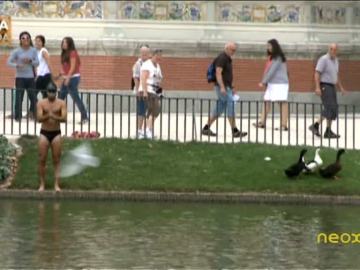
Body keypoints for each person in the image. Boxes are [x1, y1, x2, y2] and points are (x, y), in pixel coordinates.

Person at [201, 42, 247, 138]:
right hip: (222, 88)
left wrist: (231, 87)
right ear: (226, 48)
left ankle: (206, 128)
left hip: (226, 88)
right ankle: (235, 131)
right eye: (232, 50)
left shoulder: (228, 59)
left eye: (234, 50)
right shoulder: (222, 58)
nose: (233, 52)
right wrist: (222, 87)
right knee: (231, 105)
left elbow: (227, 76)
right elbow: (218, 73)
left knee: (219, 108)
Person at [309, 43, 346, 139]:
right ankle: (315, 125)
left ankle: (328, 131)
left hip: (332, 86)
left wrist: (341, 87)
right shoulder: (324, 59)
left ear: (337, 51)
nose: (332, 51)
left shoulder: (336, 61)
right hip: (325, 86)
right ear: (328, 49)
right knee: (329, 107)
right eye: (331, 49)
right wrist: (317, 87)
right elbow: (317, 73)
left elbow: (336, 75)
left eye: (334, 49)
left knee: (333, 109)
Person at [37, 81, 67, 192]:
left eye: (53, 91)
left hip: (56, 133)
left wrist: (52, 115)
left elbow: (64, 118)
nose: (51, 94)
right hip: (44, 132)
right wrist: (47, 115)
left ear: (56, 92)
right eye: (49, 91)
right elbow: (39, 118)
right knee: (42, 159)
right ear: (46, 92)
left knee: (57, 159)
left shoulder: (61, 103)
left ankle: (56, 185)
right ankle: (42, 184)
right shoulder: (41, 103)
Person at [253, 39, 289, 131]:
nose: (268, 48)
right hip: (272, 84)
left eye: (270, 46)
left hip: (279, 84)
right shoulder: (272, 57)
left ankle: (283, 125)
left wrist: (264, 81)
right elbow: (268, 70)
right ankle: (262, 122)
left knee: (282, 103)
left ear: (275, 46)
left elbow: (272, 71)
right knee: (266, 101)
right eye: (267, 46)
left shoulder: (278, 58)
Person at [7, 31, 39, 121]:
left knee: (33, 97)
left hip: (30, 78)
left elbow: (37, 62)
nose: (25, 40)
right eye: (23, 38)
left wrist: (30, 61)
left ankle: (36, 115)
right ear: (20, 40)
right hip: (20, 77)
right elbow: (8, 62)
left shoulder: (33, 51)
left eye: (27, 38)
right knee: (19, 97)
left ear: (30, 40)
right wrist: (17, 65)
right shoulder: (16, 51)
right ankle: (18, 117)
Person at [58, 36, 88, 124]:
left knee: (75, 98)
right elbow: (65, 66)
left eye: (65, 42)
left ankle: (84, 117)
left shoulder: (72, 53)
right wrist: (61, 73)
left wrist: (68, 77)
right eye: (63, 42)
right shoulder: (64, 53)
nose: (63, 44)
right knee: (60, 98)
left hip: (73, 78)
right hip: (67, 78)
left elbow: (73, 67)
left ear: (70, 44)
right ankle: (62, 117)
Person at [139, 48, 163, 138]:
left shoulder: (157, 66)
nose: (160, 58)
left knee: (155, 111)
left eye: (161, 56)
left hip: (154, 91)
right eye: (158, 56)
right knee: (152, 110)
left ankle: (148, 130)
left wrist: (160, 93)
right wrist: (144, 92)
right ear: (154, 55)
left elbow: (159, 79)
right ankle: (147, 130)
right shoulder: (147, 65)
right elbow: (144, 78)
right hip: (148, 90)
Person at [132, 44, 150, 138]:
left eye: (146, 53)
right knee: (141, 111)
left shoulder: (150, 64)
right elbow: (135, 77)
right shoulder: (138, 64)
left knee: (149, 112)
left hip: (150, 91)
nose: (144, 55)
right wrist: (138, 90)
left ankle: (147, 131)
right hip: (141, 91)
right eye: (142, 53)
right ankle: (139, 130)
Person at [35, 35, 53, 99]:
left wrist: (52, 75)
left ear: (42, 43)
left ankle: (38, 108)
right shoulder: (37, 52)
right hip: (40, 76)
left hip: (45, 76)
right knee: (33, 94)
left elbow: (49, 63)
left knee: (45, 95)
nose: (37, 43)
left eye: (39, 41)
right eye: (36, 41)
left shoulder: (43, 51)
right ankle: (36, 108)